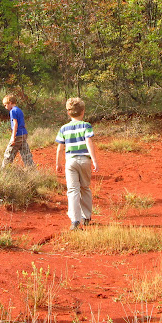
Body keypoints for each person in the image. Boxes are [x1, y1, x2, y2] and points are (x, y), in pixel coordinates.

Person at [55, 97, 99, 230]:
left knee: (72, 190)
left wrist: (58, 163)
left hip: (70, 161)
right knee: (85, 188)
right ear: (83, 111)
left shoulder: (64, 128)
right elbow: (89, 142)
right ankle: (86, 217)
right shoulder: (86, 126)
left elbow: (60, 148)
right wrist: (94, 160)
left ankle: (75, 220)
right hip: (84, 160)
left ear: (68, 112)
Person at [1, 94, 35, 168]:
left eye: (5, 105)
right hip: (23, 133)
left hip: (18, 134)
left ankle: (4, 169)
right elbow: (23, 123)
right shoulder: (19, 110)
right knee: (25, 152)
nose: (5, 107)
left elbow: (15, 124)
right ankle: (31, 169)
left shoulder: (12, 111)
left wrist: (13, 137)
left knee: (9, 153)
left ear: (10, 103)